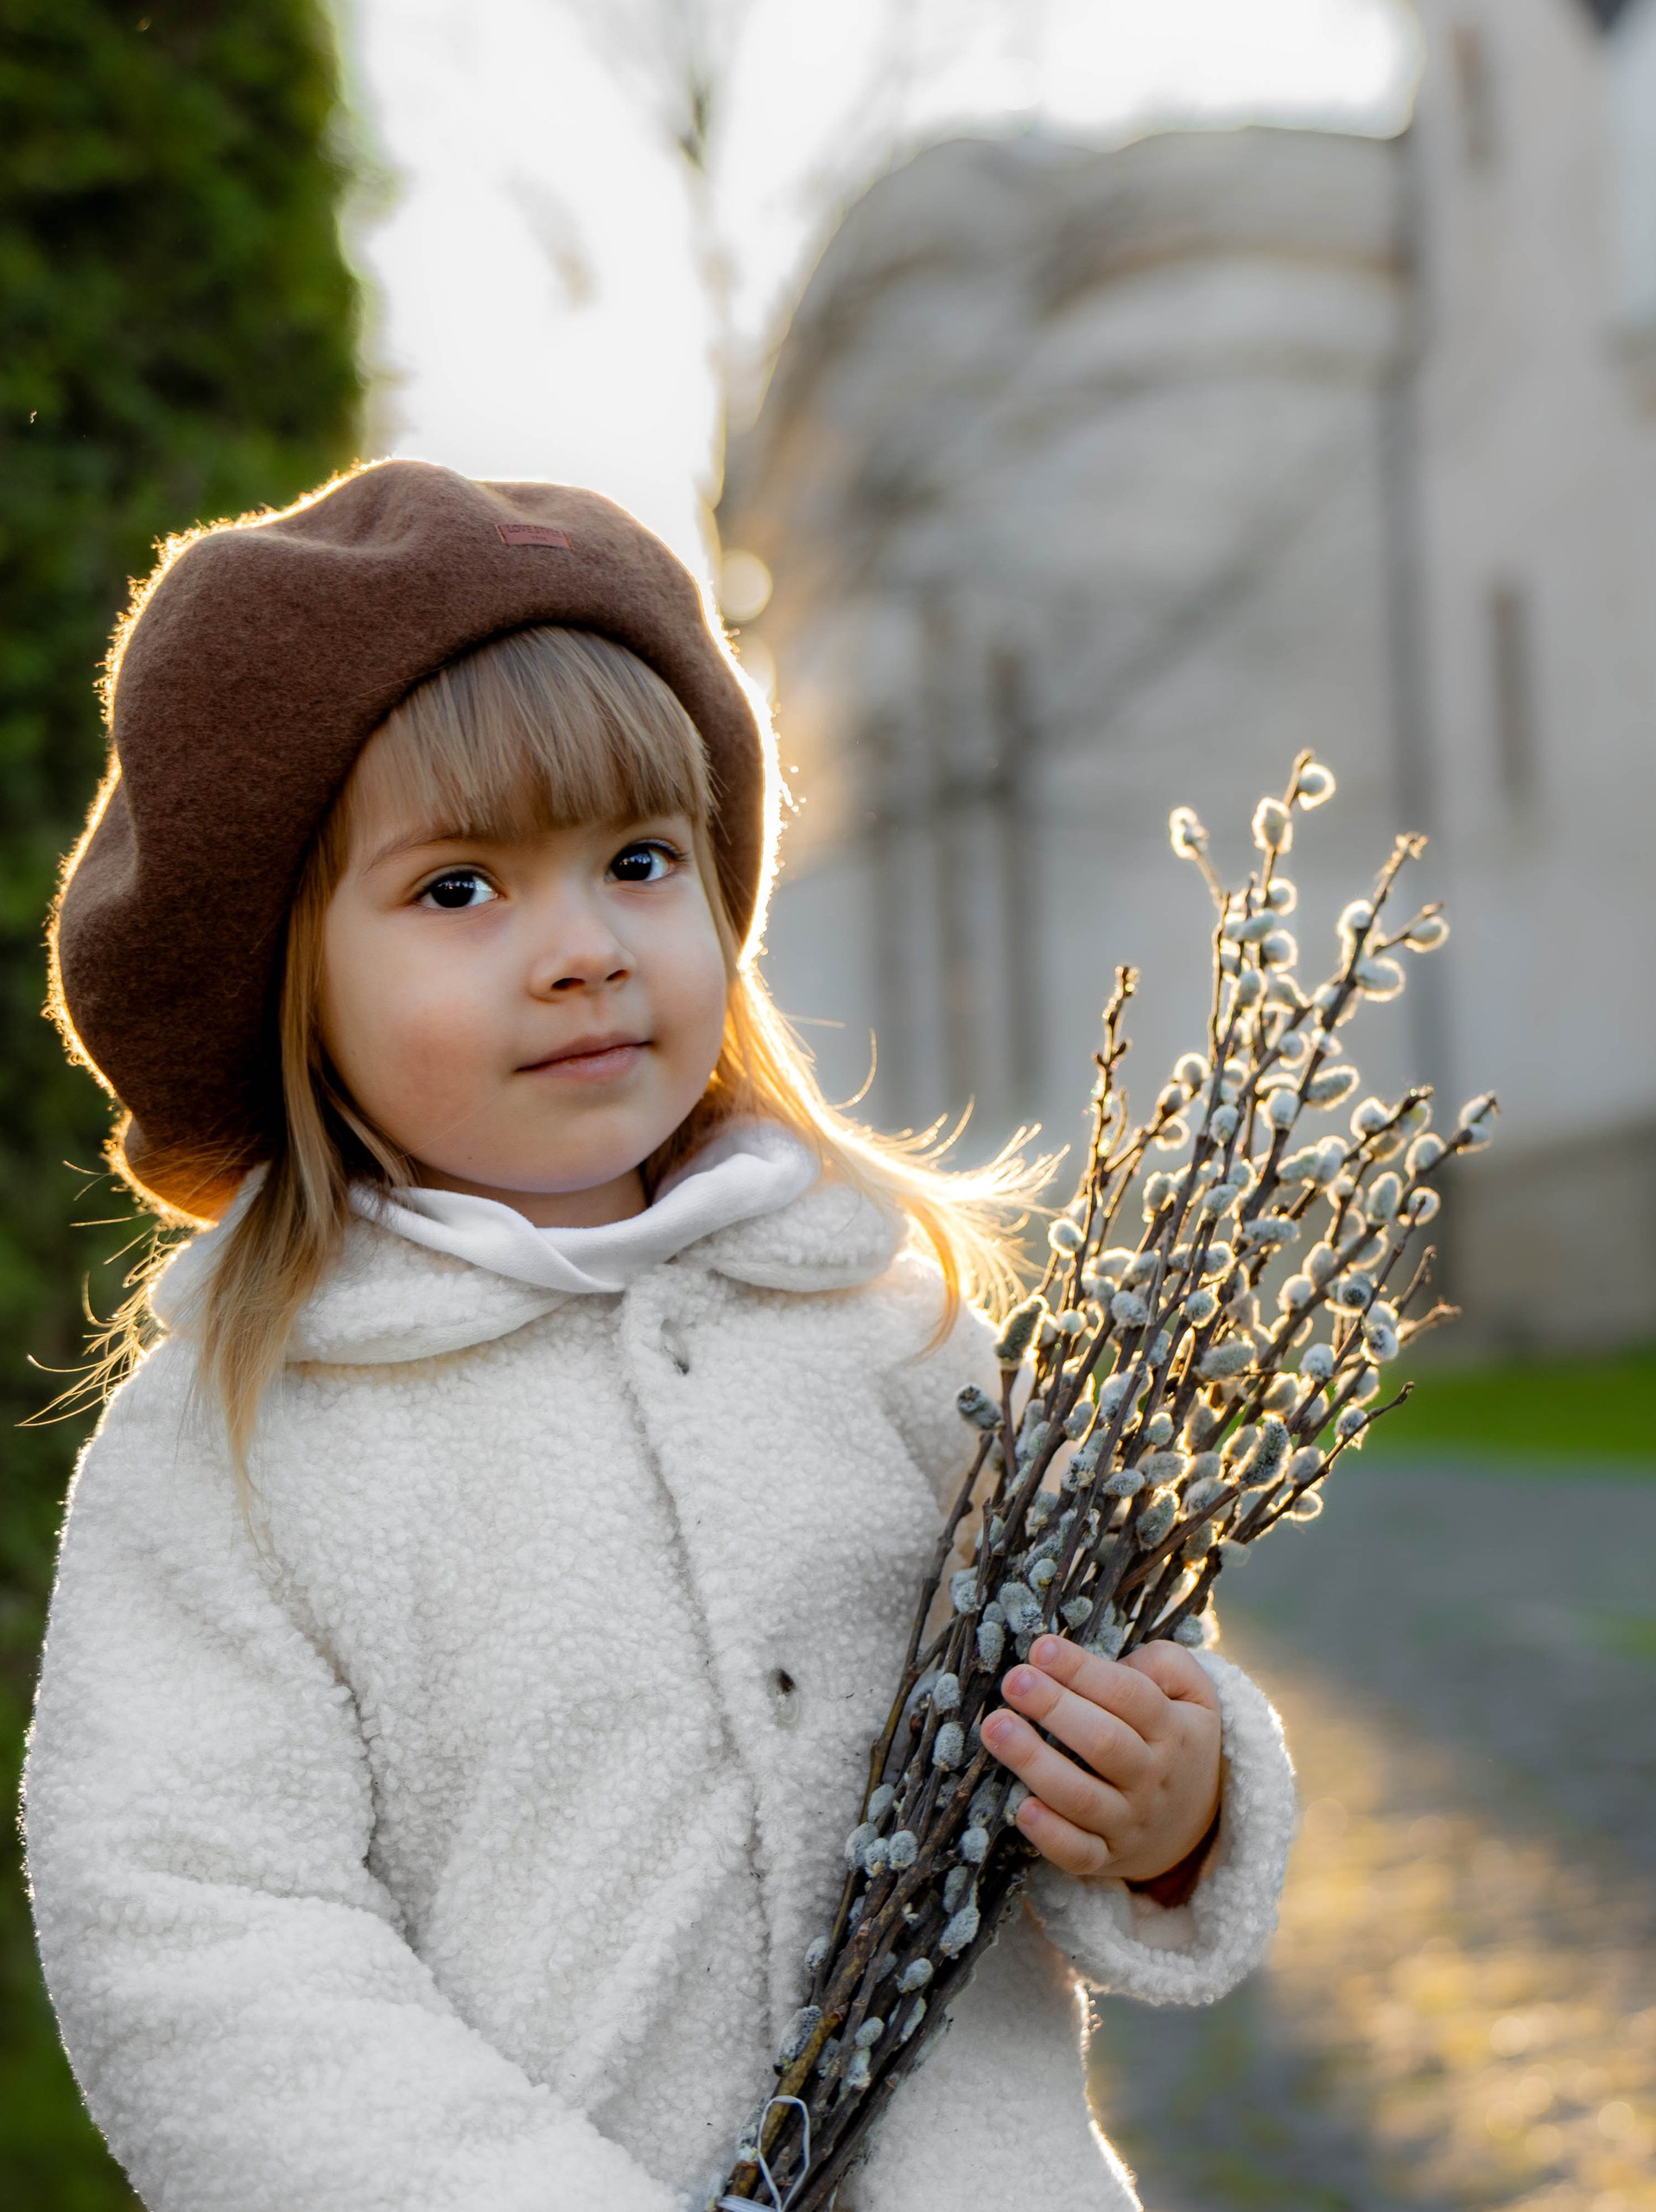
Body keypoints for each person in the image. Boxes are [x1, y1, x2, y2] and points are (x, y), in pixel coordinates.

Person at [23, 461, 1298, 2212]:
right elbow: (195, 1924)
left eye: (636, 859)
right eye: (460, 888)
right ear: (285, 974)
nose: (580, 950)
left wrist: (1172, 1797)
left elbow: (1092, 1677)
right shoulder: (242, 1439)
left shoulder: (884, 1321)